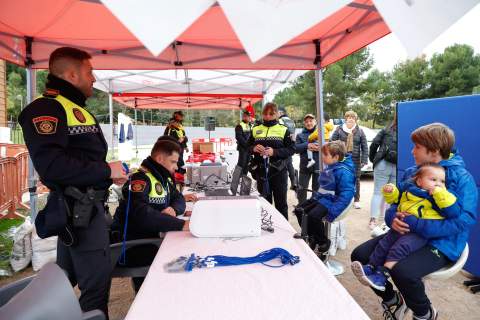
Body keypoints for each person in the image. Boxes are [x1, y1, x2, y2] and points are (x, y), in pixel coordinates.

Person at [18, 47, 128, 318]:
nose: (94, 79)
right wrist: (106, 170)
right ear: (71, 74)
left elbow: (78, 157)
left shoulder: (74, 108)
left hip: (85, 212)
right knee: (95, 290)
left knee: (63, 285)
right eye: (89, 72)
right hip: (79, 211)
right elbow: (53, 166)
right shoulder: (46, 109)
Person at [350, 123, 478, 320]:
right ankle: (393, 301)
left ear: (434, 151)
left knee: (403, 272)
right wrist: (392, 218)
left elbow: (464, 220)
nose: (412, 151)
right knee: (359, 255)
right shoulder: (413, 172)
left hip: (442, 242)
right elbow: (398, 201)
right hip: (406, 233)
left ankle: (425, 313)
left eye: (417, 146)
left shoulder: (462, 178)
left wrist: (419, 225)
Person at [352, 163, 461, 291]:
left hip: (418, 233)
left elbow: (453, 211)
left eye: (442, 181)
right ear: (420, 181)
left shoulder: (440, 197)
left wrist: (439, 194)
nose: (438, 184)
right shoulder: (410, 189)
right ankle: (371, 266)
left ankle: (383, 274)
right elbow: (396, 199)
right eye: (433, 180)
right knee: (384, 244)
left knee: (399, 248)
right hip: (400, 226)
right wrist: (391, 191)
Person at [112, 139, 190, 291]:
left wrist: (174, 209)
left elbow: (179, 198)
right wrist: (181, 225)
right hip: (135, 246)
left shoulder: (163, 177)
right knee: (184, 256)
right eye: (173, 162)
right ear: (160, 159)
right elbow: (142, 215)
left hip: (153, 237)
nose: (176, 167)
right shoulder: (139, 179)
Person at [294, 141, 355, 252]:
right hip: (321, 197)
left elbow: (346, 195)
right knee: (299, 210)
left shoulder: (344, 172)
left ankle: (323, 241)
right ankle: (311, 236)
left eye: (325, 155)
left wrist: (333, 212)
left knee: (313, 216)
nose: (322, 157)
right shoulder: (332, 166)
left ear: (336, 157)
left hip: (332, 202)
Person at [248, 103, 295, 219]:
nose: (268, 116)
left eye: (271, 114)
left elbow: (292, 149)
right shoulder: (255, 129)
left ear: (276, 114)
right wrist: (253, 148)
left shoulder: (284, 130)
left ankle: (285, 233)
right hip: (261, 172)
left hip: (279, 171)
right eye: (265, 114)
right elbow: (246, 147)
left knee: (281, 205)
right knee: (264, 204)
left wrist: (274, 152)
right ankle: (266, 232)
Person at [331, 110, 368, 209]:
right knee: (340, 178)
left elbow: (365, 147)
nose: (350, 119)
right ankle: (340, 199)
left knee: (356, 179)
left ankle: (356, 200)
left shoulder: (360, 131)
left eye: (353, 117)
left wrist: (364, 160)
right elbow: (332, 142)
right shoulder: (339, 129)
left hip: (355, 159)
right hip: (342, 158)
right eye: (348, 117)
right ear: (345, 119)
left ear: (355, 119)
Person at [369, 114, 397, 229]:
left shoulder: (386, 129)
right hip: (397, 164)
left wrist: (373, 159)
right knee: (391, 194)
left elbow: (374, 143)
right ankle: (387, 222)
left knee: (377, 193)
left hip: (382, 163)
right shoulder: (408, 130)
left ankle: (373, 220)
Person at [295, 114, 319, 204]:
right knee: (301, 189)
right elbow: (296, 148)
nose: (309, 123)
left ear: (315, 122)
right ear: (304, 123)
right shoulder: (300, 135)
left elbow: (328, 146)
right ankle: (301, 208)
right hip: (305, 167)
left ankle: (313, 209)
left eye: (311, 121)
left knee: (316, 190)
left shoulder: (321, 133)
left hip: (318, 166)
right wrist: (307, 145)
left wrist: (319, 147)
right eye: (307, 122)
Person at [278, 106, 297, 190]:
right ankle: (294, 181)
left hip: (282, 143)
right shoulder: (291, 121)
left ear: (281, 113)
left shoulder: (280, 120)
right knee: (289, 162)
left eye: (277, 112)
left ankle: (285, 181)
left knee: (285, 162)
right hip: (291, 143)